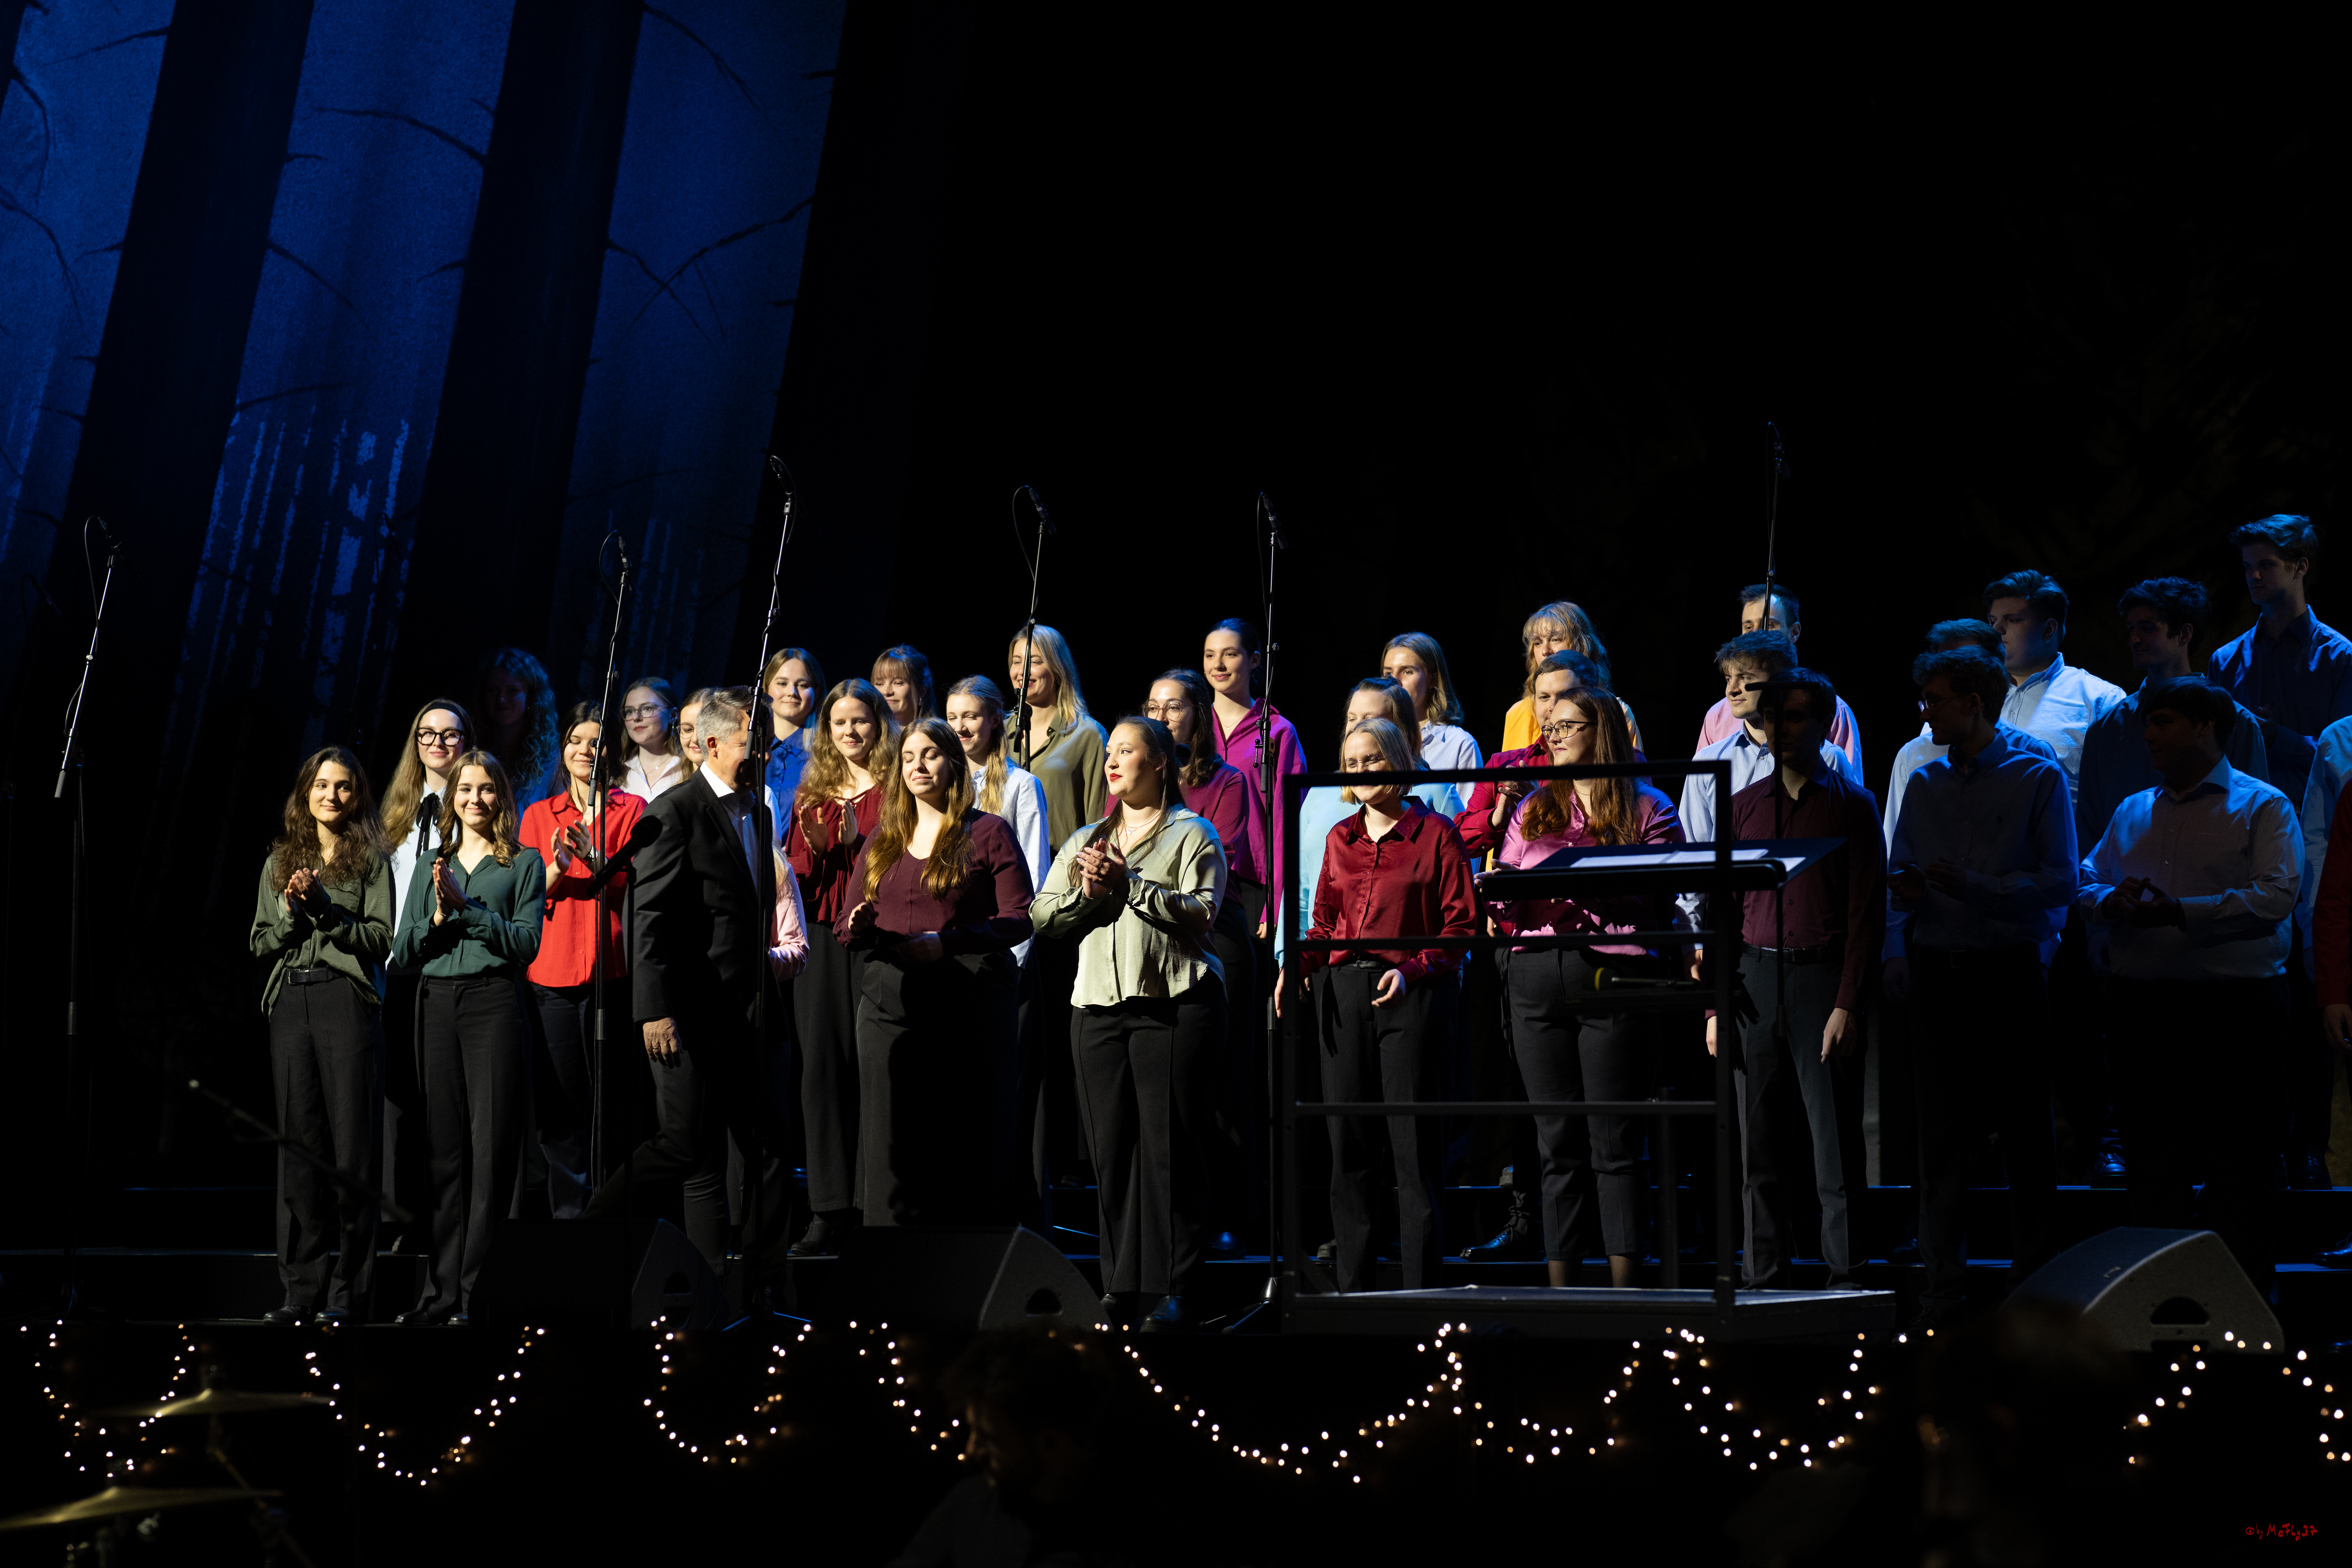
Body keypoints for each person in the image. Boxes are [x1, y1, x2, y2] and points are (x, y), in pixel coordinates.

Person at [2080, 676, 2297, 1288]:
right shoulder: (2132, 809)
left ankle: (2244, 1310)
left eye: (2163, 721)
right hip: (2142, 1011)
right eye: (2149, 722)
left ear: (2205, 727)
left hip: (2235, 1011)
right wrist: (2111, 900)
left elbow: (2276, 896)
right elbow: (2085, 878)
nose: (2148, 734)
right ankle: (2159, 1307)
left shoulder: (2263, 806)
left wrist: (2179, 911)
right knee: (2153, 1171)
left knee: (2241, 1168)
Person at [1886, 646, 2075, 1330]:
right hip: (1939, 971)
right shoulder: (1923, 783)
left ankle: (2032, 1291)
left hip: (2006, 970)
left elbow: (2063, 880)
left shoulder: (2036, 777)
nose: (1925, 711)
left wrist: (1979, 887)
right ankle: (1942, 1293)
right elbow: (1900, 876)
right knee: (1939, 1137)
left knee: (2025, 1134)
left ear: (1973, 704)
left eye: (1936, 700)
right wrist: (1906, 904)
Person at [586, 689, 795, 1285]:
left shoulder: (759, 812)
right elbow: (647, 916)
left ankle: (761, 1289)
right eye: (752, 743)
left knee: (772, 1148)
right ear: (711, 744)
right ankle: (588, 1234)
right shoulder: (675, 811)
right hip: (695, 1016)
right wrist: (654, 1010)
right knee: (682, 1143)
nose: (762, 755)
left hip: (756, 1014)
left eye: (766, 744)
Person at [1034, 716, 1226, 1328]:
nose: (1113, 761)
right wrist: (1088, 895)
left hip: (1172, 1005)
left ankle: (1178, 1285)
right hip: (1096, 1008)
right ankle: (1121, 1284)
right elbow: (1042, 915)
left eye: (1127, 751)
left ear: (1161, 762)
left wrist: (1130, 883)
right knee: (1111, 1152)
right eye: (1110, 752)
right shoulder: (1087, 839)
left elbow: (1202, 912)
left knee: (1171, 1151)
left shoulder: (1193, 832)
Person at [1485, 689, 1682, 1287]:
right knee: (1556, 1141)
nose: (1552, 735)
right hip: (1538, 974)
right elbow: (1506, 891)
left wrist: (1587, 880)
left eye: (1566, 725)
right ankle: (1562, 1291)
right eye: (1548, 727)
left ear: (1603, 731)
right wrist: (1503, 894)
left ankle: (1627, 1292)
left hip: (1614, 975)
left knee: (1614, 1139)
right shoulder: (1535, 807)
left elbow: (1665, 887)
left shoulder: (1647, 805)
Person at [1702, 670, 1882, 1289]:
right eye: (1774, 716)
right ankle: (1762, 1279)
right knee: (1758, 1147)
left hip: (1821, 981)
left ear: (1825, 724)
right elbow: (1722, 912)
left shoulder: (1852, 805)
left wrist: (1848, 1002)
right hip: (1754, 980)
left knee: (1834, 1148)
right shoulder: (1743, 806)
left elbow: (1865, 914)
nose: (1781, 729)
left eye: (1797, 716)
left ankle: (1847, 1279)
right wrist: (1715, 1006)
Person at [1284, 716, 1476, 1292]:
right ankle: (1355, 1293)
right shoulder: (1338, 837)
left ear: (1398, 760)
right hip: (1343, 994)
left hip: (1411, 995)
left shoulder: (1435, 834)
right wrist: (1297, 966)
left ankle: (1420, 1293)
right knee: (1349, 1147)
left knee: (1413, 1149)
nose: (1362, 770)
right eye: (1353, 762)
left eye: (1373, 759)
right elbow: (1323, 924)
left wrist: (1413, 970)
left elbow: (1460, 927)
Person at [839, 718, 1034, 1225]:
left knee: (959, 1143)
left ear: (953, 764)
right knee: (891, 1144)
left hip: (964, 1004)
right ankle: (890, 1257)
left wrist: (947, 943)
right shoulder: (884, 837)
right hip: (889, 1007)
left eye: (929, 755)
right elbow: (844, 924)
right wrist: (857, 924)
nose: (917, 766)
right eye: (908, 757)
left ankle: (962, 1260)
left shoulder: (987, 831)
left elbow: (1019, 917)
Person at [2210, 515, 2352, 1194]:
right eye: (2247, 567)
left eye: (2265, 564)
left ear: (2300, 566)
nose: (2254, 577)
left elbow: (2342, 753)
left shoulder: (2339, 656)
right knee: (2252, 1004)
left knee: (2309, 993)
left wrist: (2276, 738)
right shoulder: (2228, 660)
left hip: (2317, 841)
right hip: (2244, 844)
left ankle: (2310, 1148)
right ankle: (2257, 1147)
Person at [390, 750, 545, 1324]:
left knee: (491, 1147)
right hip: (435, 1003)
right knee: (444, 1150)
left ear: (501, 797)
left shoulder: (523, 862)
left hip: (493, 1001)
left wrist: (470, 910)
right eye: (465, 789)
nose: (475, 799)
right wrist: (437, 917)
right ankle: (441, 1291)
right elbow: (403, 950)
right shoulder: (432, 862)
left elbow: (527, 943)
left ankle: (480, 1291)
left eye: (486, 789)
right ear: (451, 798)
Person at [249, 747, 393, 1325]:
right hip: (291, 1000)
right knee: (299, 1149)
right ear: (305, 791)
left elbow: (381, 939)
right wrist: (292, 912)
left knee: (353, 1150)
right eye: (322, 785)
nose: (331, 795)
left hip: (345, 1000)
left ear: (357, 796)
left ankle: (347, 1294)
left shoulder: (370, 860)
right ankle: (300, 1291)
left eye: (343, 786)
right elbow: (260, 941)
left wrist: (329, 910)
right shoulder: (280, 860)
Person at [1142, 669, 1260, 1250]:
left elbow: (1217, 857)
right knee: (1168, 1085)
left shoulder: (1226, 780)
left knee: (1222, 1083)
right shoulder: (1135, 778)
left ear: (1198, 716)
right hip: (1149, 935)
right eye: (1154, 707)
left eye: (1174, 708)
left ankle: (1230, 1215)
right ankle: (1169, 1218)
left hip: (1214, 934)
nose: (1163, 717)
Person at [517, 703, 646, 1218]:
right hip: (550, 972)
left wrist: (594, 860)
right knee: (560, 1104)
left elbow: (635, 884)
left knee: (611, 1102)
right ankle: (570, 1219)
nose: (584, 751)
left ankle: (611, 1215)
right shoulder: (539, 814)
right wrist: (559, 865)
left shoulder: (631, 809)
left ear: (612, 751)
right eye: (575, 741)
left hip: (610, 970)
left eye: (596, 742)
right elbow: (527, 893)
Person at [783, 678, 894, 1254]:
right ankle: (828, 1206)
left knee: (874, 1067)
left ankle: (876, 1202)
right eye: (840, 722)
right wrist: (823, 848)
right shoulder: (813, 791)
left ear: (879, 725)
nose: (851, 731)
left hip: (877, 937)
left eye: (861, 721)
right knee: (822, 1067)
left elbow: (905, 862)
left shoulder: (896, 787)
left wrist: (859, 844)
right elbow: (796, 875)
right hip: (825, 936)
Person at [946, 675, 1054, 1220]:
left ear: (995, 720)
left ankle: (1015, 1209)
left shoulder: (1019, 785)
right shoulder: (939, 785)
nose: (961, 726)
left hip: (1003, 959)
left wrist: (1012, 959)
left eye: (971, 715)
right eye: (952, 716)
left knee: (1008, 1086)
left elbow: (1033, 878)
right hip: (952, 959)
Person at [1274, 678, 1463, 971]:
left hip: (1412, 969)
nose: (1356, 728)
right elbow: (1300, 886)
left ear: (1399, 731)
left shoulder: (1435, 792)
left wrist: (1448, 970)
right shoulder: (1320, 793)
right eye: (1352, 718)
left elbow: (1457, 900)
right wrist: (1290, 956)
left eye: (1369, 719)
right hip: (1323, 960)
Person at [375, 697, 475, 1249]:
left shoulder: (474, 803)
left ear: (466, 740)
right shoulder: (395, 811)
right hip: (397, 969)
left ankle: (446, 1220)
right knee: (397, 1098)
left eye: (450, 734)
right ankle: (398, 1217)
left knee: (444, 1097)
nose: (438, 743)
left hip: (450, 967)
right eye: (427, 734)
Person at [2077, 579, 2271, 852]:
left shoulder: (2235, 723)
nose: (2134, 639)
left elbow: (2259, 816)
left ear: (2184, 634)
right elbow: (2090, 830)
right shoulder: (2107, 729)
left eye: (2147, 628)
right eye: (2131, 629)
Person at [1881, 622, 2061, 855]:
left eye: (1961, 663)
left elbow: (2054, 863)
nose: (1943, 671)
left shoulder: (2034, 756)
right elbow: (1897, 852)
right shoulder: (1914, 757)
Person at [1675, 630, 1854, 853]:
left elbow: (1850, 843)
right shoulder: (1708, 761)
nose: (1732, 690)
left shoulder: (1828, 758)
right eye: (1729, 679)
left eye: (1746, 678)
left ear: (1780, 680)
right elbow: (1694, 851)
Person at [1983, 569, 2127, 807]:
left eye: (2013, 620)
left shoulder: (2100, 699)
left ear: (2049, 630)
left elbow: (2119, 793)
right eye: (1992, 621)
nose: (1996, 630)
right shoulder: (1972, 695)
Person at [1203, 616, 1303, 950]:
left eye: (1230, 654)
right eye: (1210, 655)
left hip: (1252, 881)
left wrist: (1278, 899)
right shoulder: (1194, 728)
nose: (1218, 665)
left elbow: (1289, 820)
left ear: (1255, 660)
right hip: (1197, 872)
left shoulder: (1277, 730)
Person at [1691, 583, 1864, 774]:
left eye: (1770, 626)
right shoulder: (1718, 715)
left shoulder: (1832, 709)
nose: (1758, 634)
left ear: (1794, 632)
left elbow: (1845, 783)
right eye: (1749, 627)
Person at [1008, 624, 1108, 849]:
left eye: (1034, 662)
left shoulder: (1088, 735)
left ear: (1057, 668)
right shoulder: (999, 733)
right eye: (1017, 662)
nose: (1022, 671)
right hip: (1004, 866)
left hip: (1062, 866)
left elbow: (1100, 821)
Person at [1500, 601, 1645, 754]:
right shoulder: (1518, 714)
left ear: (1582, 645)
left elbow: (1632, 768)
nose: (1545, 651)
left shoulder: (1617, 712)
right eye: (1538, 643)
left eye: (1556, 640)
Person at [1381, 631, 1483, 772]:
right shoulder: (1374, 736)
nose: (1395, 681)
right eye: (1388, 674)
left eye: (1407, 672)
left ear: (1433, 680)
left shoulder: (1460, 744)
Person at [472, 648, 561, 805]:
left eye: (512, 691)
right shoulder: (472, 746)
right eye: (493, 690)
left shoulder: (551, 757)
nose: (501, 699)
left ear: (532, 697)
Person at [761, 647, 824, 832]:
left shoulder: (825, 753)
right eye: (782, 683)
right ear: (766, 688)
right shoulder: (748, 747)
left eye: (803, 685)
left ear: (817, 692)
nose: (792, 692)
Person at [619, 676, 689, 801]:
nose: (636, 717)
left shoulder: (689, 769)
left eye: (647, 709)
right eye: (630, 711)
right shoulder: (617, 773)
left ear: (673, 715)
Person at [872, 644, 937, 729]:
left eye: (898, 683)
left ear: (921, 691)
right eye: (880, 684)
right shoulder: (867, 735)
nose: (886, 692)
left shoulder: (934, 736)